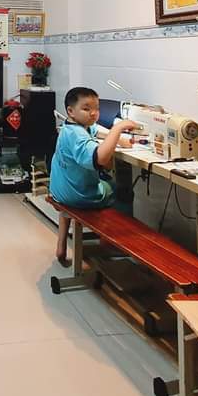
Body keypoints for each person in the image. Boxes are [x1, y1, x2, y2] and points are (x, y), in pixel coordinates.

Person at [50, 86, 140, 267]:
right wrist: (118, 128)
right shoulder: (77, 135)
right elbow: (100, 159)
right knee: (121, 191)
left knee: (95, 182)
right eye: (86, 108)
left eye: (96, 108)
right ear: (71, 111)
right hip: (79, 196)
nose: (93, 113)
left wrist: (120, 139)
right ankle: (112, 243)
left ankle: (61, 245)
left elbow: (95, 130)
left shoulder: (70, 127)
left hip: (60, 190)